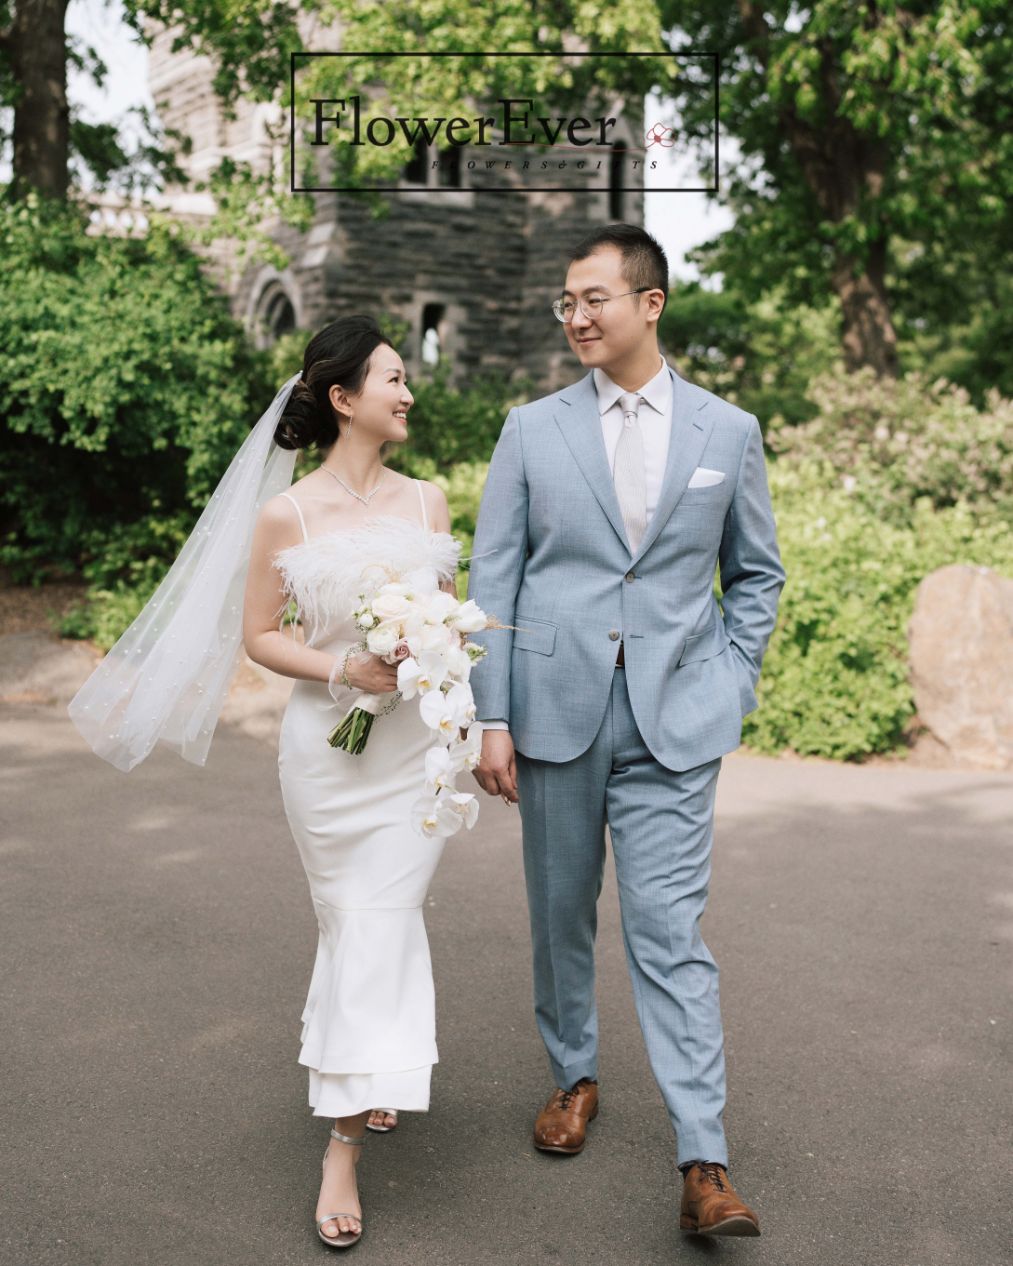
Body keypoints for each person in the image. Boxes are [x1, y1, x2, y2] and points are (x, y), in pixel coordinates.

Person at [69, 315, 465, 1250]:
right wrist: (345, 671)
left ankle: (358, 1093)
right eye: (393, 379)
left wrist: (455, 706)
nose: (408, 393)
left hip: (414, 757)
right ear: (341, 398)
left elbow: (448, 630)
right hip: (329, 755)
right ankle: (347, 1126)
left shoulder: (429, 503)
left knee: (381, 921)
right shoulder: (286, 513)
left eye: (406, 379)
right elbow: (259, 635)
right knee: (354, 922)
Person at [467, 224, 785, 1238]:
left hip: (674, 723)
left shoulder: (725, 431)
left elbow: (755, 574)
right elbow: (494, 579)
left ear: (648, 304)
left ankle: (704, 1159)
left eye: (592, 297)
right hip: (554, 713)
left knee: (668, 933)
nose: (574, 315)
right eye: (565, 301)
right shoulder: (530, 428)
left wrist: (726, 683)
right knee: (560, 917)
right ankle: (572, 1078)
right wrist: (491, 713)